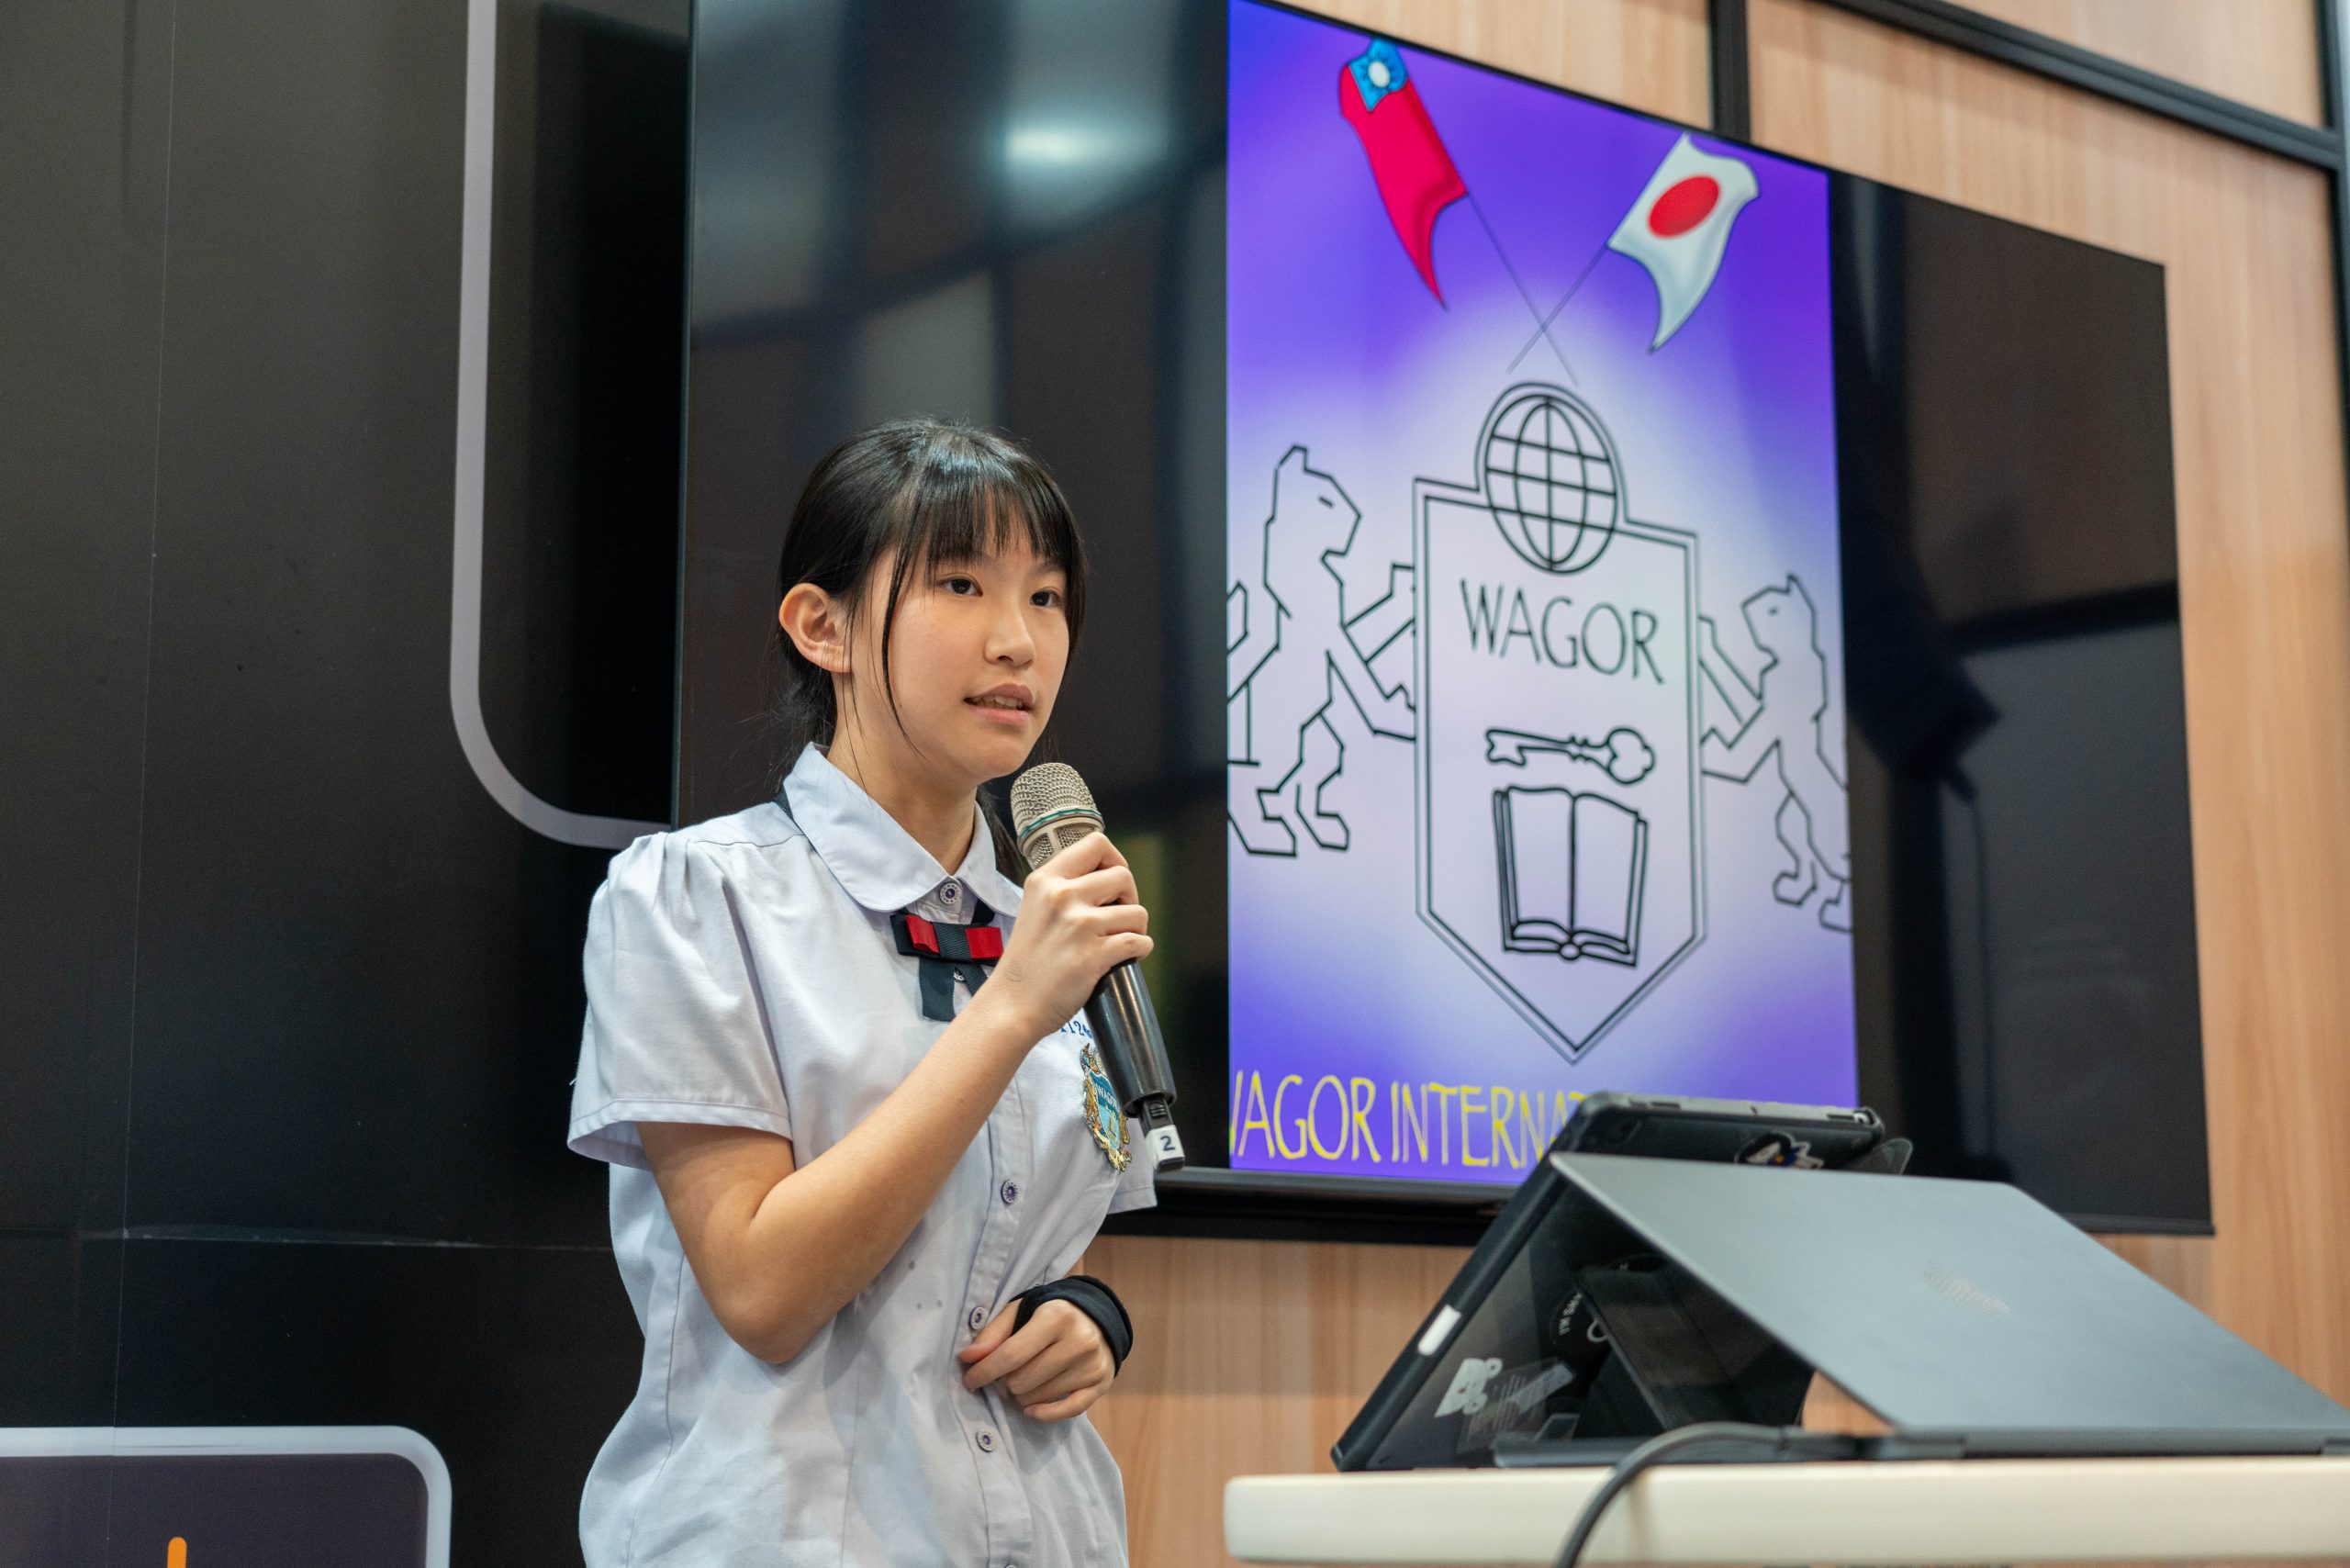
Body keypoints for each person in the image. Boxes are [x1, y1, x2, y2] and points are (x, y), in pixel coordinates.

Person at [565, 418, 1158, 1567]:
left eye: (1045, 597)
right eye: (960, 583)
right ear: (821, 625)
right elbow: (762, 1286)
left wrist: (1086, 1318)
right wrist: (1009, 1011)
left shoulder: (1050, 920)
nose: (1018, 640)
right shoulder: (697, 894)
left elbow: (1022, 1243)